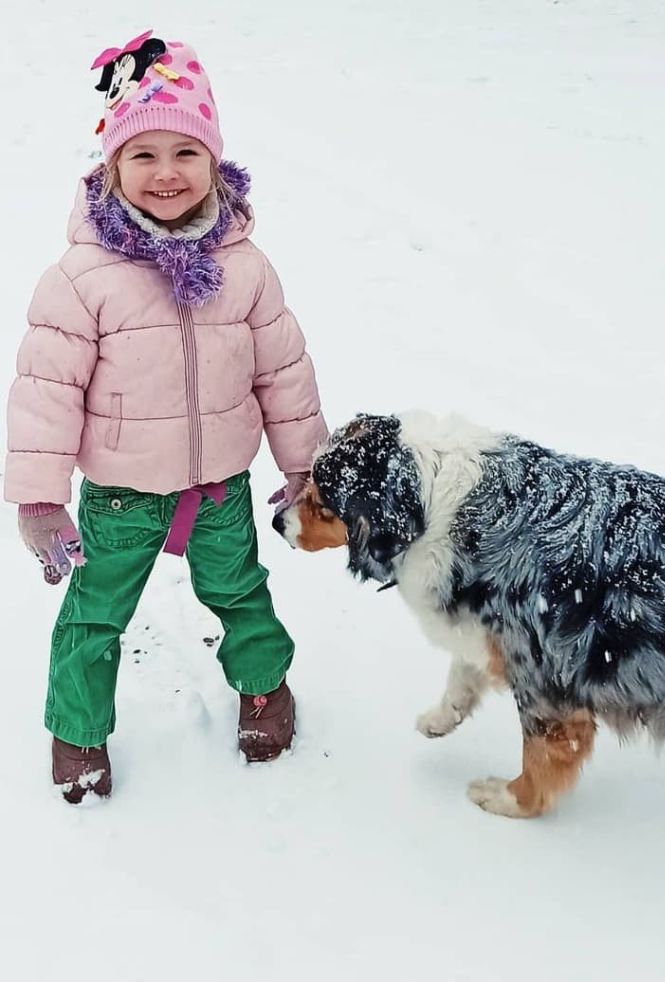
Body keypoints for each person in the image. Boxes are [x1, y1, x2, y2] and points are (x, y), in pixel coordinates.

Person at [5, 30, 328, 803]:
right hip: (118, 494)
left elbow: (283, 372)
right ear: (111, 167)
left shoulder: (244, 266)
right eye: (142, 155)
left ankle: (263, 686)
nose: (165, 174)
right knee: (93, 615)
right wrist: (41, 499)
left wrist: (306, 465)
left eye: (185, 153)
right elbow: (44, 388)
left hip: (220, 486)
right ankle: (78, 732)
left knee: (241, 592)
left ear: (214, 161)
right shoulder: (83, 277)